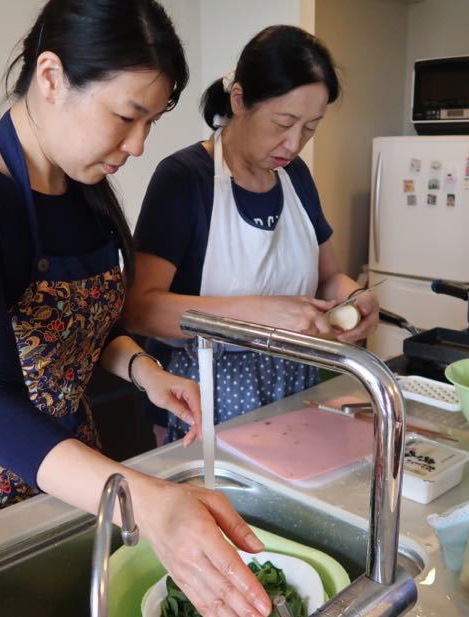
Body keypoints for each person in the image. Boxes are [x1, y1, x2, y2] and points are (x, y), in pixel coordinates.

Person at [0, 0, 275, 617]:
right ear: (50, 77)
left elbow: (85, 329)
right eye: (127, 116)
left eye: (149, 123)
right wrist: (145, 500)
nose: (138, 146)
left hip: (73, 472)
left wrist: (143, 370)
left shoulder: (83, 187)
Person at [124, 25, 380, 443]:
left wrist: (354, 299)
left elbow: (329, 275)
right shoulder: (185, 178)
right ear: (239, 99)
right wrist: (259, 314)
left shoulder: (295, 177)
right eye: (284, 122)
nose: (294, 143)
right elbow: (139, 309)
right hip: (205, 394)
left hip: (294, 382)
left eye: (311, 127)